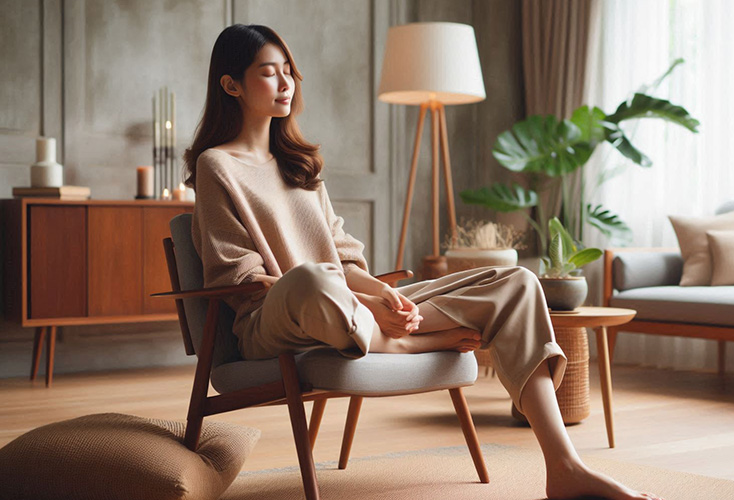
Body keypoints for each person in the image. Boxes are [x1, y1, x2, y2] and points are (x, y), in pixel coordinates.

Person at [184, 24, 663, 500]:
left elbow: (345, 260)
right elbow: (241, 278)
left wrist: (382, 296)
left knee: (516, 282)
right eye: (269, 73)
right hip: (272, 320)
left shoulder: (300, 164)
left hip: (351, 310)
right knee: (311, 279)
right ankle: (412, 343)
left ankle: (565, 466)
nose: (286, 83)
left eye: (289, 71)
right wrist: (363, 302)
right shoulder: (217, 166)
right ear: (231, 85)